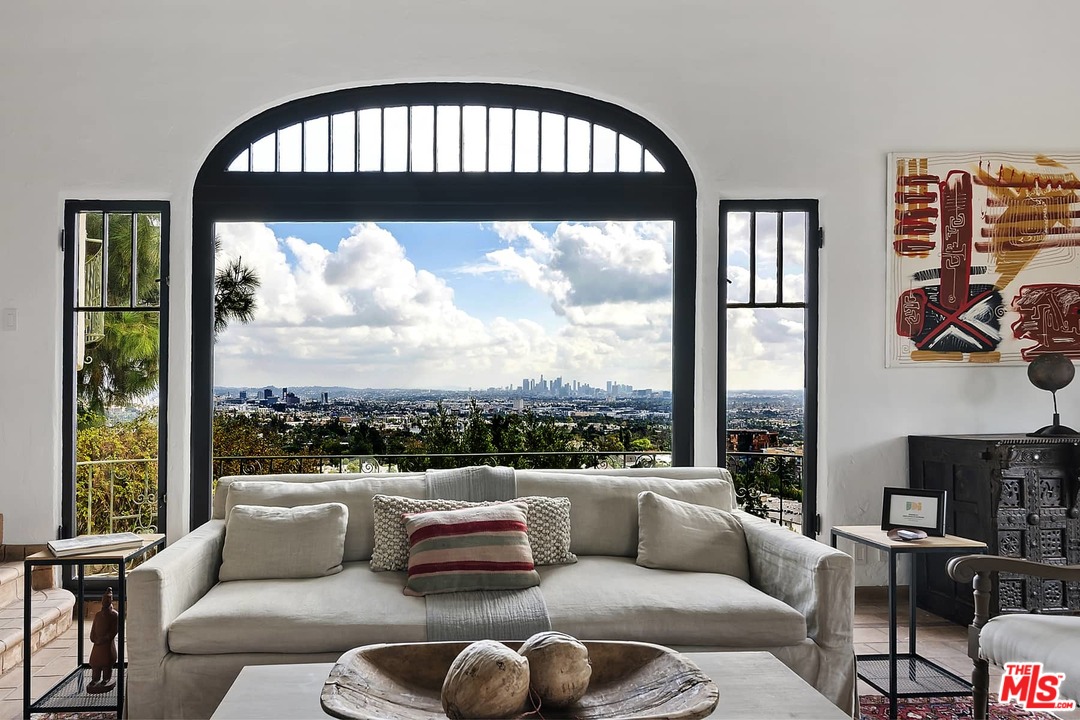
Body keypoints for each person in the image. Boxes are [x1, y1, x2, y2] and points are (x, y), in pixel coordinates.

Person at [87, 587, 119, 694]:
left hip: (106, 644)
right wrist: (93, 637)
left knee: (106, 663)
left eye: (107, 600)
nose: (105, 602)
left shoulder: (114, 615)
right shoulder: (98, 615)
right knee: (96, 663)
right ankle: (95, 679)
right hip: (97, 644)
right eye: (104, 600)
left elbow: (114, 631)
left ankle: (106, 678)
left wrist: (104, 639)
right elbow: (93, 628)